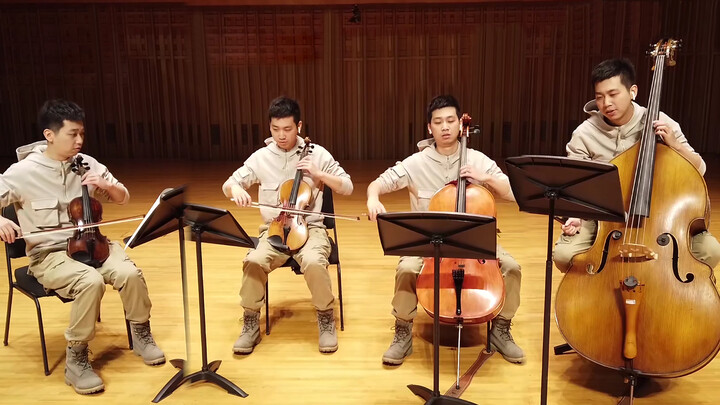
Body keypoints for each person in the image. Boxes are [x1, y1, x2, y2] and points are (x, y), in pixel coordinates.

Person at [0, 99, 165, 395]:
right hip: (48, 254)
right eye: (72, 134)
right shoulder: (23, 172)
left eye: (82, 134)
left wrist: (106, 184)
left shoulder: (87, 163)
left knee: (129, 273)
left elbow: (123, 197)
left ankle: (141, 333)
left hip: (95, 243)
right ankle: (76, 358)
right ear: (50, 135)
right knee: (90, 281)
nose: (79, 141)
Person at [366, 95, 525, 365]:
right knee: (406, 269)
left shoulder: (477, 160)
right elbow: (378, 183)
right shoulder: (416, 162)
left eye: (451, 120)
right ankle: (403, 331)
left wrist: (485, 178)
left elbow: (515, 193)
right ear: (429, 128)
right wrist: (373, 198)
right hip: (429, 243)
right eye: (438, 122)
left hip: (474, 245)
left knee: (511, 267)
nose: (445, 127)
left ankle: (500, 329)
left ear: (459, 124)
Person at [553, 58, 720, 272]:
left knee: (710, 251)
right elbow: (575, 187)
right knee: (564, 256)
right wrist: (575, 215)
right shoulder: (585, 133)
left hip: (659, 216)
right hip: (604, 217)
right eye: (600, 97)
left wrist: (675, 145)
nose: (607, 103)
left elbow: (700, 169)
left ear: (633, 91)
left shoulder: (660, 121)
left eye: (613, 95)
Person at [223, 96, 353, 354]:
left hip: (311, 228)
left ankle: (326, 318)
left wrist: (319, 174)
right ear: (269, 127)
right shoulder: (261, 158)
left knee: (315, 262)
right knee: (253, 261)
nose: (281, 136)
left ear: (299, 126)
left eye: (288, 129)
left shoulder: (317, 154)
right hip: (273, 229)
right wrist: (235, 189)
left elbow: (347, 187)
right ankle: (250, 322)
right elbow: (228, 184)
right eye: (275, 129)